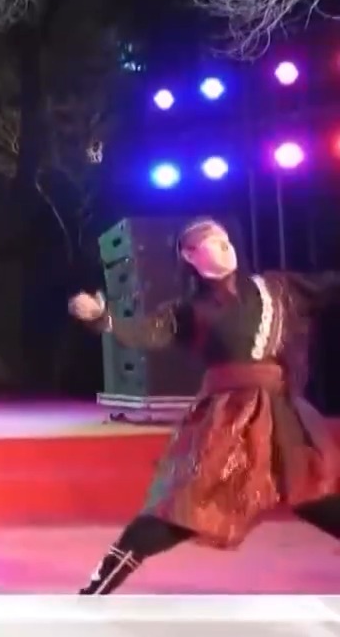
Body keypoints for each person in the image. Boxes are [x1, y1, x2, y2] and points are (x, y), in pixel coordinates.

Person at [66, 216, 340, 593]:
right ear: (190, 255)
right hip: (230, 421)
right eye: (212, 240)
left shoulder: (277, 288)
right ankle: (99, 584)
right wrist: (103, 318)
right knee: (187, 506)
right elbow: (145, 331)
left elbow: (330, 285)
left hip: (282, 415)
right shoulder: (190, 309)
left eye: (226, 238)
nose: (225, 244)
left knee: (313, 495)